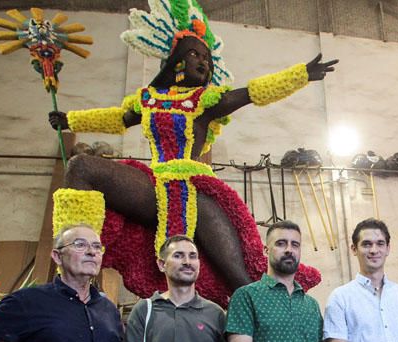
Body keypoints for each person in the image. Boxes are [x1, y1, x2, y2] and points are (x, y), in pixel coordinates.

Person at [48, 0, 335, 305]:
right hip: (153, 184)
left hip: (193, 189)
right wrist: (70, 120)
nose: (203, 62)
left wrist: (301, 74)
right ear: (176, 61)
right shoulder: (148, 100)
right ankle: (76, 259)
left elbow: (252, 93)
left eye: (208, 59)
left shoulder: (206, 100)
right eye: (194, 54)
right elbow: (117, 118)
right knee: (81, 166)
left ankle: (269, 313)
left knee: (237, 275)